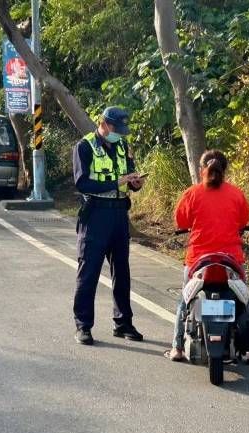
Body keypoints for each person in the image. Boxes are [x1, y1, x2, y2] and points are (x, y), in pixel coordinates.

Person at [167, 149, 249, 364]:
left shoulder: (191, 193)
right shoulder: (237, 194)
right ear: (225, 170)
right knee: (245, 301)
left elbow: (181, 222)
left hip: (198, 261)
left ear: (202, 169)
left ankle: (177, 347)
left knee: (185, 300)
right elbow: (242, 221)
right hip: (231, 261)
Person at [72, 107, 146, 345]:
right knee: (89, 271)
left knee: (122, 272)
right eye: (116, 128)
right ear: (103, 123)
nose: (119, 134)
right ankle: (83, 325)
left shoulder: (123, 146)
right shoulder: (85, 146)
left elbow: (129, 177)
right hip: (96, 214)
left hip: (118, 214)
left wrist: (135, 182)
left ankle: (123, 322)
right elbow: (82, 183)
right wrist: (115, 182)